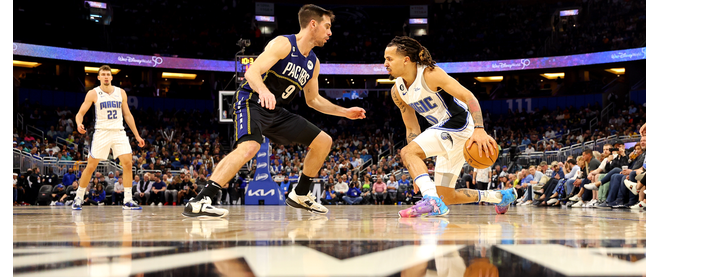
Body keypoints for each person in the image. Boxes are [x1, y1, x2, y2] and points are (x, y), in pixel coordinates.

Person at [182, 4, 366, 218]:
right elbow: (252, 72)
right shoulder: (283, 44)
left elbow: (313, 100)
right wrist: (263, 91)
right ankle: (201, 200)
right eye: (327, 26)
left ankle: (301, 193)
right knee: (250, 147)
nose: (330, 32)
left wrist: (345, 112)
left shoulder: (313, 63)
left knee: (323, 141)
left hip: (275, 111)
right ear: (313, 24)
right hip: (250, 100)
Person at [384, 36, 515, 218]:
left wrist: (480, 128)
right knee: (447, 195)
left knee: (407, 152)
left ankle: (431, 201)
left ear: (406, 60)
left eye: (389, 59)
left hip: (459, 124)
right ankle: (501, 196)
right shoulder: (397, 91)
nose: (385, 64)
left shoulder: (430, 74)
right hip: (445, 130)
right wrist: (416, 169)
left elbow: (469, 97)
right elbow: (412, 128)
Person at [72, 65, 145, 210]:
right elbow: (80, 113)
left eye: (108, 74)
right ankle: (78, 197)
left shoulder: (121, 92)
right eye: (103, 74)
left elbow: (128, 115)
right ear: (98, 77)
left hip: (119, 131)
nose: (106, 76)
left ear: (111, 77)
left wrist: (137, 135)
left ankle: (128, 200)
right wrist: (79, 123)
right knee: (91, 166)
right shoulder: (93, 93)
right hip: (102, 132)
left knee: (128, 164)